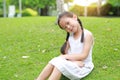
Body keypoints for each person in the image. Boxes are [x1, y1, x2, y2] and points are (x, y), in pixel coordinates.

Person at [36, 11, 94, 80]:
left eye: (68, 23)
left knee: (59, 65)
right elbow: (64, 53)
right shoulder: (71, 36)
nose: (68, 27)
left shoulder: (87, 35)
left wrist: (64, 57)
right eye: (65, 27)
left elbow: (84, 56)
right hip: (73, 62)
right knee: (55, 61)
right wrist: (70, 61)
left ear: (74, 17)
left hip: (83, 65)